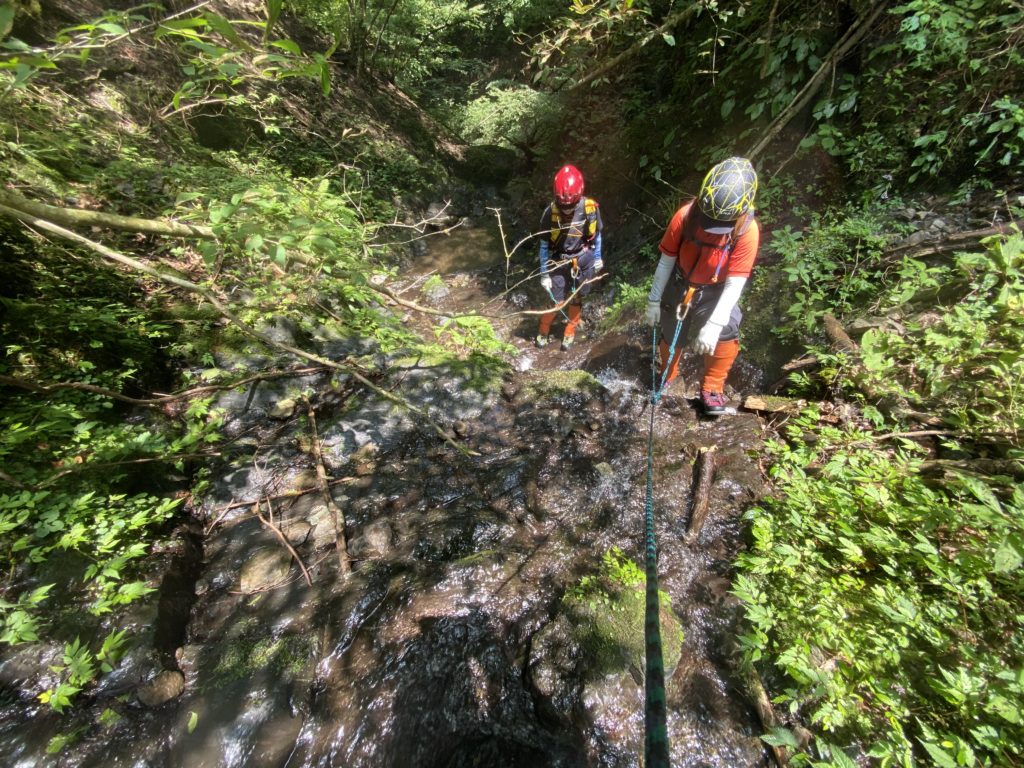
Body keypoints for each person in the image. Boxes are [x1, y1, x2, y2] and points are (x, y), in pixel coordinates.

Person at [644, 156, 760, 415]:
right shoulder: (685, 217)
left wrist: (713, 325)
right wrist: (653, 301)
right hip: (680, 282)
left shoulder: (746, 231)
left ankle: (712, 387)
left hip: (716, 290)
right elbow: (666, 262)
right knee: (671, 329)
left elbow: (735, 283)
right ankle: (668, 373)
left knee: (728, 327)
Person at [536, 164, 603, 350]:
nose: (566, 210)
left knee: (577, 297)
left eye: (571, 206)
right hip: (559, 260)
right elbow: (543, 245)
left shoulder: (589, 208)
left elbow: (597, 235)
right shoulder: (550, 213)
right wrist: (544, 274)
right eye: (562, 205)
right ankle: (543, 329)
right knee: (556, 301)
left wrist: (597, 257)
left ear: (579, 197)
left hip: (584, 258)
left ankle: (570, 331)